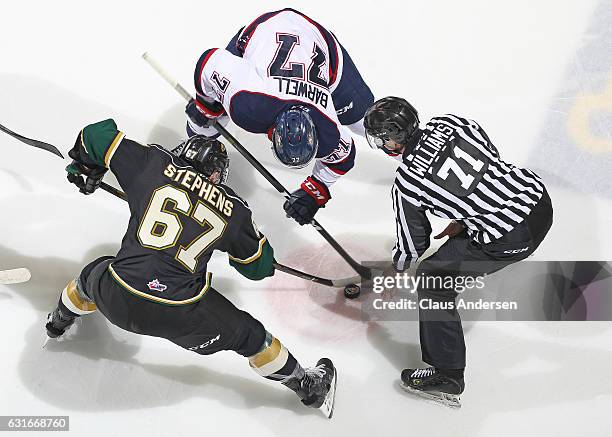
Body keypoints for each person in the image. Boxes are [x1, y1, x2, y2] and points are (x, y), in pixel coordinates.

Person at [45, 120, 337, 418]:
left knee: (92, 274)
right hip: (180, 317)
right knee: (251, 337)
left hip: (117, 296)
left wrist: (87, 167)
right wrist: (249, 245)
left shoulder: (152, 163)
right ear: (215, 174)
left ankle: (57, 322)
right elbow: (258, 268)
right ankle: (307, 385)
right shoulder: (233, 209)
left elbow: (95, 135)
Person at [364, 97, 553, 407]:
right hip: (538, 199)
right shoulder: (450, 122)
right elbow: (488, 162)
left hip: (513, 236)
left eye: (383, 137)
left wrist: (393, 269)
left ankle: (448, 373)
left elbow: (414, 246)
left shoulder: (408, 182)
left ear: (394, 138)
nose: (383, 144)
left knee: (431, 279)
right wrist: (467, 216)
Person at [184, 8, 377, 226]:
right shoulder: (247, 103)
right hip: (264, 29)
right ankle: (191, 167)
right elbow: (209, 63)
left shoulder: (327, 126)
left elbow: (345, 156)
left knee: (371, 125)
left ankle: (412, 153)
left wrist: (315, 192)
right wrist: (206, 107)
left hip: (318, 40)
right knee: (206, 125)